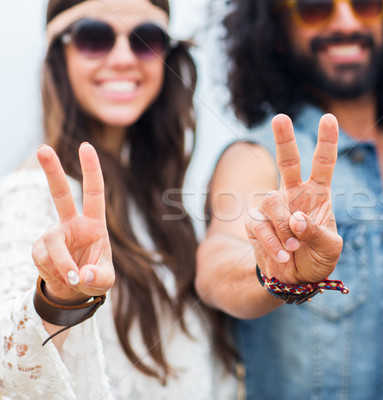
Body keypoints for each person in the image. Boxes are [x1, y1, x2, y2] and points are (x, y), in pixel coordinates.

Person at [195, 0, 383, 398]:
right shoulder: (257, 157)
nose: (346, 22)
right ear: (276, 33)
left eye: (366, 4)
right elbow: (217, 265)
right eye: (315, 8)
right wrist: (274, 273)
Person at [0, 0, 236, 398]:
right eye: (95, 37)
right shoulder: (33, 193)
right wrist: (59, 297)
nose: (125, 58)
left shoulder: (160, 197)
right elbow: (9, 367)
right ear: (60, 56)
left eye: (147, 40)